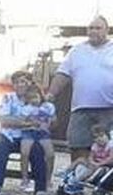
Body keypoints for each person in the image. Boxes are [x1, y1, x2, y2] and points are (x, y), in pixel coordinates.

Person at [47, 15, 113, 172]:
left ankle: (104, 185)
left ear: (107, 30)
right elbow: (63, 74)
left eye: (98, 28)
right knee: (77, 145)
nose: (93, 31)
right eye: (90, 28)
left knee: (109, 147)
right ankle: (76, 182)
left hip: (109, 108)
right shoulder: (76, 51)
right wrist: (50, 95)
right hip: (80, 108)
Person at [0, 71, 50, 195]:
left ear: (30, 83)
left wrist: (18, 122)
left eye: (23, 82)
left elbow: (45, 120)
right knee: (0, 146)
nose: (20, 85)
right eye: (17, 82)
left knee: (38, 149)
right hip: (9, 135)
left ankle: (40, 188)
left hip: (29, 136)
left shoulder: (36, 99)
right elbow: (3, 120)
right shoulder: (8, 98)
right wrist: (27, 123)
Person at [11, 79, 54, 195]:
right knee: (25, 152)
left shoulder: (47, 107)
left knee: (50, 154)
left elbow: (52, 119)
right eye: (31, 98)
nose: (34, 100)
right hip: (29, 132)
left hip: (43, 133)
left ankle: (48, 179)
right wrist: (30, 123)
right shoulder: (26, 108)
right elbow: (22, 121)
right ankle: (25, 178)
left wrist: (48, 124)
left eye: (36, 97)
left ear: (41, 96)